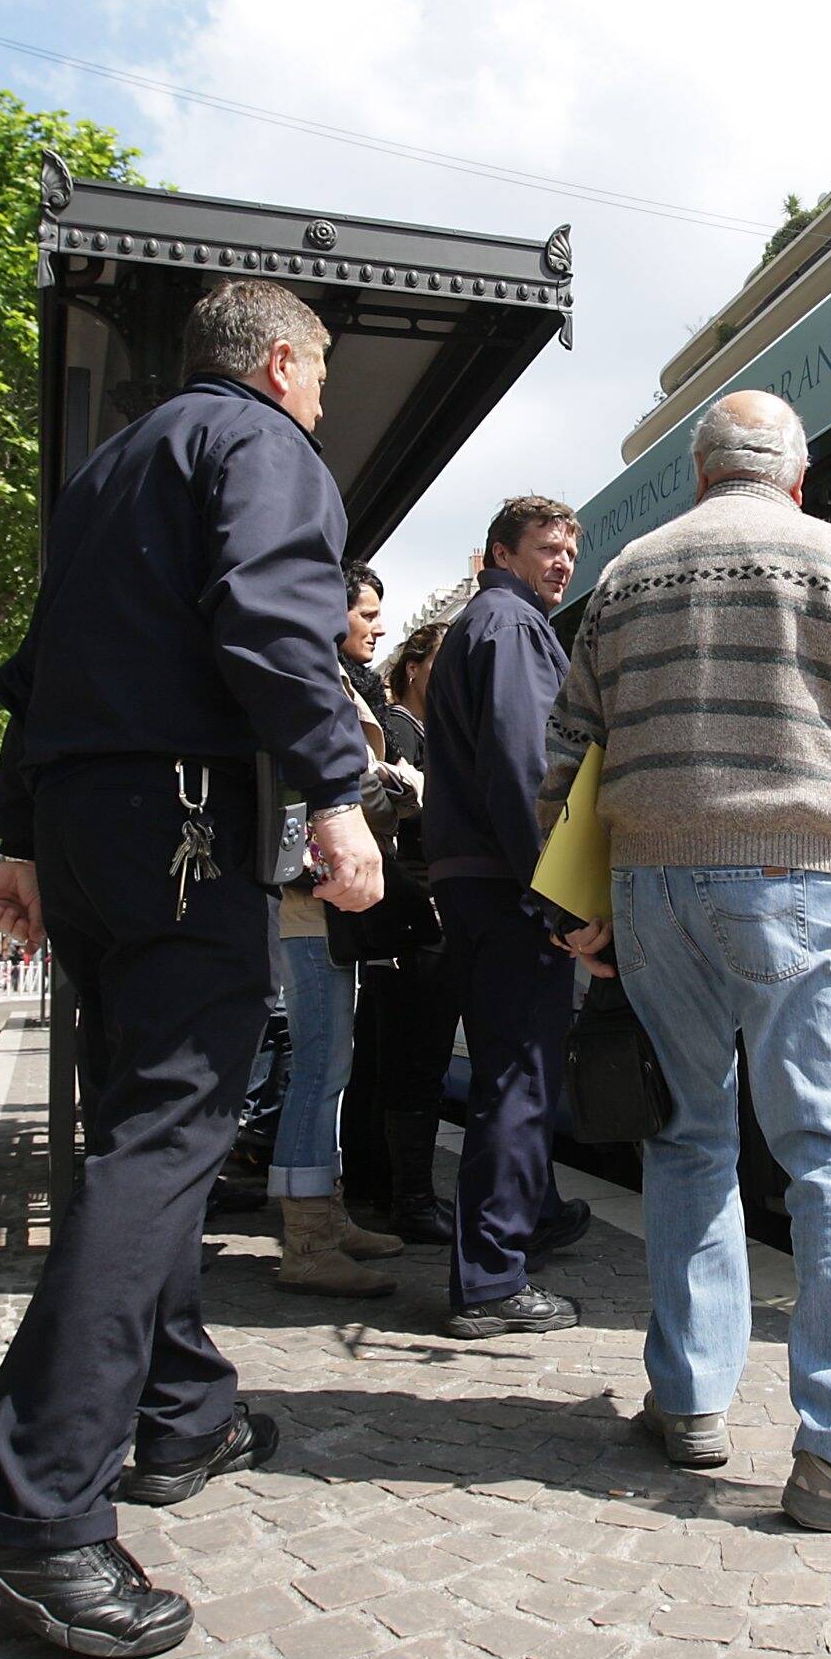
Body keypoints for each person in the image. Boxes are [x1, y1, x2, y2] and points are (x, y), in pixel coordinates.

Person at [0, 278, 383, 1659]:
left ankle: (181, 1413)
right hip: (186, 811)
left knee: (144, 1121)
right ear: (285, 360)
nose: (320, 404)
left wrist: (17, 832)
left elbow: (35, 666)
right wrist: (336, 789)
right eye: (318, 379)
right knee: (167, 1134)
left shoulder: (112, 466)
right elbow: (267, 620)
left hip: (88, 818)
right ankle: (30, 1508)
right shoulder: (262, 448)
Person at [540, 390, 831, 1541]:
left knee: (686, 1141)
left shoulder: (630, 575)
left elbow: (563, 750)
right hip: (792, 882)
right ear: (793, 478)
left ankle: (691, 1400)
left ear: (700, 477)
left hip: (648, 894)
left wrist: (581, 900)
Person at [422, 496, 591, 1338]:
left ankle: (528, 1219)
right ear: (499, 551)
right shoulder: (514, 628)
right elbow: (528, 771)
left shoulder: (477, 625)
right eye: (547, 548)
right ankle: (491, 1279)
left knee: (510, 1067)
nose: (562, 563)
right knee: (519, 1074)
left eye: (569, 550)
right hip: (507, 884)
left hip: (473, 879)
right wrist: (558, 895)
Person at [267, 617, 404, 1299]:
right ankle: (307, 1240)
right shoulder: (312, 677)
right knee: (319, 1065)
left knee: (328, 1064)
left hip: (319, 903)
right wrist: (391, 785)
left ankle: (327, 1213)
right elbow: (332, 781)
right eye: (367, 611)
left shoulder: (330, 675)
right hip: (315, 901)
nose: (376, 624)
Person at [354, 621, 459, 1243]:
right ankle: (409, 1200)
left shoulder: (428, 732)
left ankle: (385, 1189)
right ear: (414, 667)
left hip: (413, 907)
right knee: (410, 1056)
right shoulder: (398, 730)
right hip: (414, 909)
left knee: (392, 1054)